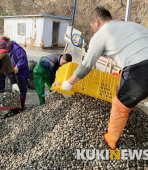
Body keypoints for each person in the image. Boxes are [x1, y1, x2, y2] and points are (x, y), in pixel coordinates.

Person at [61, 7, 148, 149]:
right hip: (139, 65)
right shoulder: (129, 25)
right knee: (122, 89)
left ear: (96, 22)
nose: (94, 31)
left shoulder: (102, 33)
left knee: (120, 106)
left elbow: (86, 65)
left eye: (93, 27)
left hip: (142, 68)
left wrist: (68, 83)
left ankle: (110, 141)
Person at [0, 36, 29, 110]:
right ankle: (14, 106)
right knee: (11, 89)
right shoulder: (5, 50)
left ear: (9, 44)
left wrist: (17, 67)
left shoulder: (17, 50)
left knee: (22, 89)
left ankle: (22, 106)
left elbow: (23, 60)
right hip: (12, 72)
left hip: (21, 72)